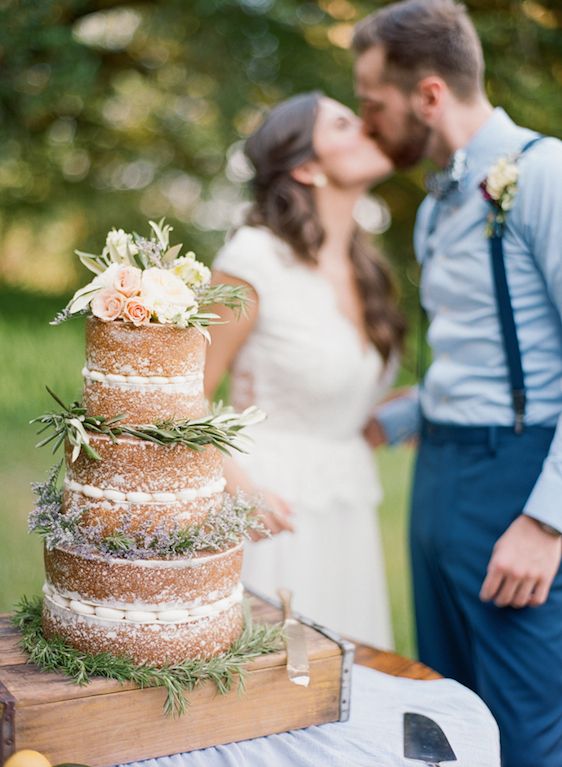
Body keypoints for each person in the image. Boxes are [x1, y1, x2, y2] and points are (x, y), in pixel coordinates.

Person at [352, 1, 562, 764]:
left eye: (373, 104)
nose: (365, 124)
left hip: (516, 483)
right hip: (436, 477)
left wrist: (547, 521)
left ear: (430, 95)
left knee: (524, 733)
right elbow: (474, 353)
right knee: (446, 719)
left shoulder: (545, 175)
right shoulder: (436, 206)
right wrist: (404, 415)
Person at [204, 92, 406, 648]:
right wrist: (238, 488)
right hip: (272, 514)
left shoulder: (365, 267)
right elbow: (177, 396)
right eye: (344, 123)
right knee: (283, 682)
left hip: (346, 514)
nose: (368, 125)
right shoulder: (252, 259)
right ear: (307, 166)